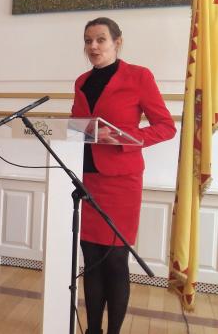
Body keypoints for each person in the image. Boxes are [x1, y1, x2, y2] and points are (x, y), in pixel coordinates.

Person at [72, 17, 176, 334]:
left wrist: (121, 137)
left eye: (100, 39)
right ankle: (93, 330)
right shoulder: (81, 81)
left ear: (117, 42)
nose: (93, 46)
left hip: (121, 182)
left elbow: (166, 127)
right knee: (91, 259)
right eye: (88, 40)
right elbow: (78, 125)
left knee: (116, 260)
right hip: (87, 179)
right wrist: (77, 130)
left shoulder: (139, 77)